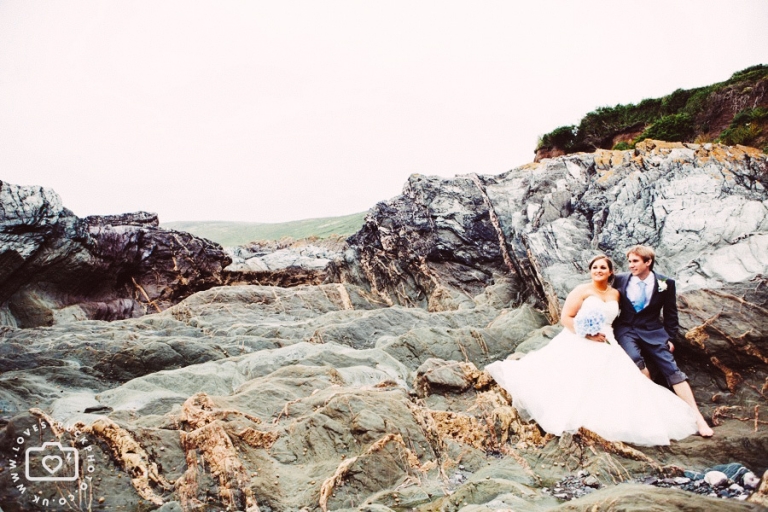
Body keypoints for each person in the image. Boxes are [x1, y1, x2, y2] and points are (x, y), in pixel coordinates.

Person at [486, 255, 699, 446]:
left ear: (611, 272)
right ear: (591, 270)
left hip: (608, 340)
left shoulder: (616, 293)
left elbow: (628, 316)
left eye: (603, 268)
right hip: (579, 339)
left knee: (619, 381)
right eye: (595, 267)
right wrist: (587, 333)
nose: (598, 271)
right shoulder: (582, 290)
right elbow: (566, 318)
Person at [613, 245, 714, 437]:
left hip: (653, 331)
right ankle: (653, 413)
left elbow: (670, 313)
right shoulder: (620, 280)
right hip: (626, 330)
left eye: (635, 261)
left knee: (672, 369)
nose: (630, 265)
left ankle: (698, 419)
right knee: (635, 360)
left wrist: (669, 337)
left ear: (648, 262)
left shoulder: (666, 283)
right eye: (629, 261)